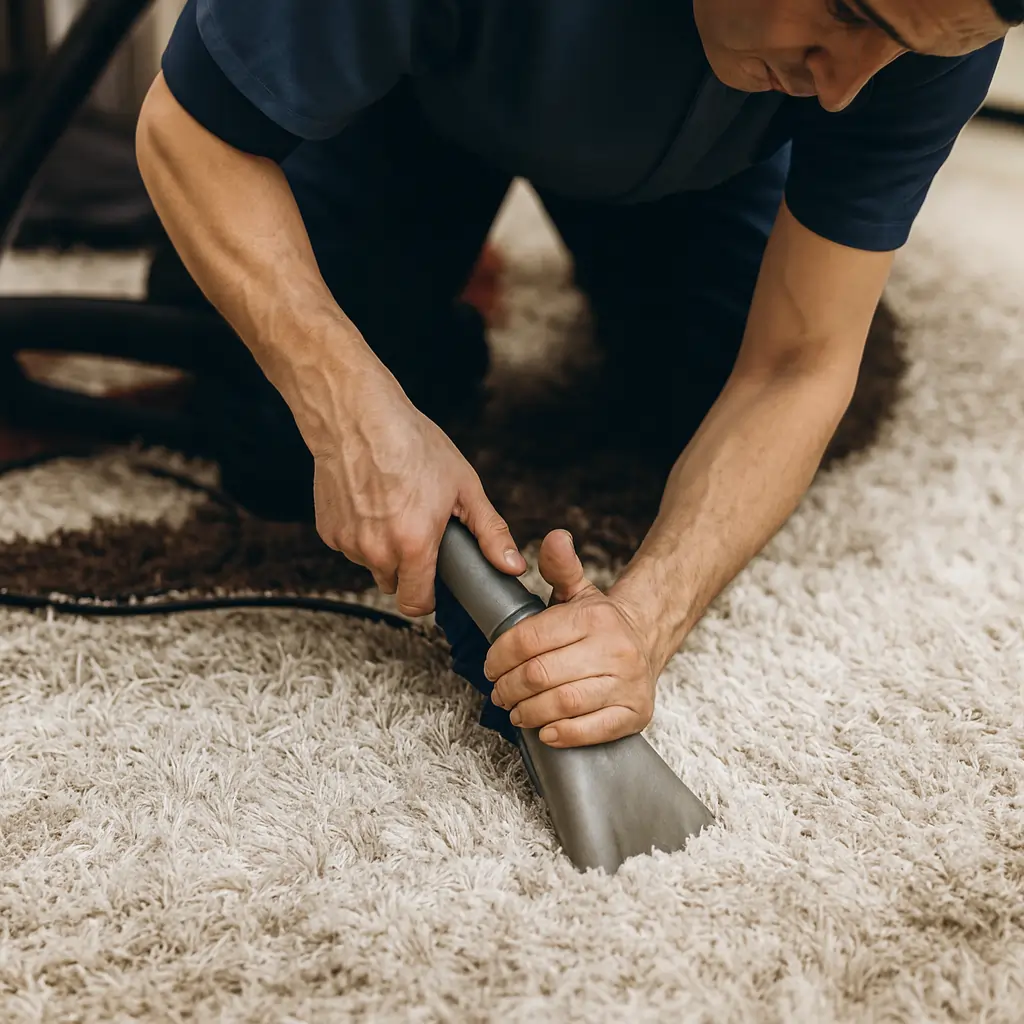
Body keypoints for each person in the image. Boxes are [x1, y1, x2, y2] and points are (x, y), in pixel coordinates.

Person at [135, 0, 1018, 751]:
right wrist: (354, 412)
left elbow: (799, 361)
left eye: (902, 47)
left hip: (701, 161)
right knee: (272, 446)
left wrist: (643, 621)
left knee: (737, 393)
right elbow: (186, 133)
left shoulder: (937, 23)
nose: (846, 87)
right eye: (850, 11)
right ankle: (454, 288)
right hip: (398, 100)